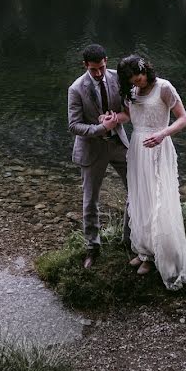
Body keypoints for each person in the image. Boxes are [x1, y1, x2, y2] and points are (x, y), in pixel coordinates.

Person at [113, 54, 186, 290]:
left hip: (158, 146)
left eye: (138, 78)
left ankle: (161, 255)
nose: (136, 83)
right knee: (140, 198)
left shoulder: (164, 88)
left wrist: (162, 134)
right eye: (131, 81)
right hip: (137, 147)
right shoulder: (132, 92)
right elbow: (130, 116)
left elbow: (183, 119)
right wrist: (114, 118)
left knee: (158, 198)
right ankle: (145, 250)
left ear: (145, 70)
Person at [67, 44, 130, 270]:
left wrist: (117, 119)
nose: (98, 73)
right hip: (92, 149)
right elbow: (74, 125)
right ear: (85, 66)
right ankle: (92, 249)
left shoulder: (117, 78)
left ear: (106, 60)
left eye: (101, 67)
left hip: (119, 145)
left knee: (137, 189)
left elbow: (128, 112)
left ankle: (129, 240)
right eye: (93, 70)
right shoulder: (76, 89)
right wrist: (101, 127)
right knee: (90, 201)